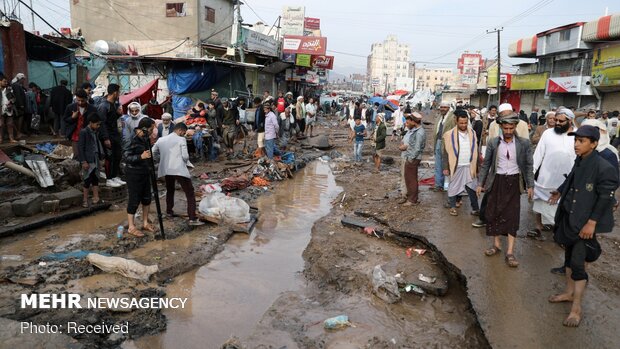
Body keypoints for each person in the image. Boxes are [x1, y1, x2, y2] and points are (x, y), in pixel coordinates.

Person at [547, 125, 618, 327]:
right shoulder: (581, 160)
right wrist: (560, 192)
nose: (576, 144)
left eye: (581, 141)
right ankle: (569, 293)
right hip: (570, 218)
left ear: (594, 143)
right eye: (575, 140)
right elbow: (571, 178)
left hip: (584, 225)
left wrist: (592, 223)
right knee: (569, 259)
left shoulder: (604, 167)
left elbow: (606, 198)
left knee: (578, 264)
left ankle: (576, 308)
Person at [477, 113, 534, 268]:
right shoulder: (493, 143)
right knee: (494, 212)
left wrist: (530, 186)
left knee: (512, 215)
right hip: (497, 181)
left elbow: (529, 166)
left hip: (514, 182)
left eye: (511, 128)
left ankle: (510, 251)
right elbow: (486, 164)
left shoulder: (524, 144)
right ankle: (496, 245)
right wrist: (480, 183)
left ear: (515, 127)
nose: (508, 131)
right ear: (501, 127)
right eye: (505, 128)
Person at [528, 108, 576, 239]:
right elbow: (538, 155)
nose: (557, 123)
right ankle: (538, 228)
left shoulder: (577, 135)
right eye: (556, 120)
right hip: (545, 178)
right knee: (540, 203)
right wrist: (530, 176)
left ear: (570, 121)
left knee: (563, 207)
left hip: (565, 180)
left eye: (561, 121)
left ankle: (558, 232)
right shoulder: (548, 133)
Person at [152, 122, 203, 226]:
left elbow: (153, 152)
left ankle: (169, 211)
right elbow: (185, 156)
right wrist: (186, 163)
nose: (183, 135)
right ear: (180, 130)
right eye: (183, 133)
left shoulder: (161, 140)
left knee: (170, 190)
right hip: (178, 169)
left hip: (166, 169)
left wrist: (161, 160)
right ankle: (192, 218)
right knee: (190, 192)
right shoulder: (181, 139)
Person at [442, 109, 480, 216]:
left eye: (465, 123)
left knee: (471, 187)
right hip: (456, 165)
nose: (463, 125)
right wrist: (445, 167)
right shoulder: (449, 135)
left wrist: (477, 168)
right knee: (453, 187)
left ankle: (475, 209)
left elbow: (476, 151)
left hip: (469, 165)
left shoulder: (472, 133)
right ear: (456, 122)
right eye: (461, 123)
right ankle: (453, 207)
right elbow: (445, 152)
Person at [124, 117, 157, 237]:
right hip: (133, 173)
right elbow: (126, 158)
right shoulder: (131, 139)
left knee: (147, 198)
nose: (152, 131)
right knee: (134, 199)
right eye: (151, 129)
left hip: (145, 171)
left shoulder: (145, 138)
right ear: (145, 128)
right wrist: (140, 157)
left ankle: (145, 222)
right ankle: (131, 226)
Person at [97, 83, 125, 188]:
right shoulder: (104, 106)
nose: (119, 94)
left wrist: (118, 114)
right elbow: (102, 123)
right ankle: (109, 178)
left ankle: (114, 176)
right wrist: (105, 138)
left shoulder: (113, 104)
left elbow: (112, 119)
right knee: (109, 157)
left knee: (117, 156)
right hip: (108, 136)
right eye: (119, 92)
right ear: (115, 93)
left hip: (115, 134)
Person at [77, 112, 105, 208]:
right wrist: (83, 161)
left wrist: (101, 158)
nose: (98, 126)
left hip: (95, 159)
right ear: (90, 123)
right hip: (88, 160)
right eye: (97, 124)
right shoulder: (84, 132)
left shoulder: (95, 132)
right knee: (87, 180)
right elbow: (80, 148)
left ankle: (96, 198)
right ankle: (85, 200)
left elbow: (97, 145)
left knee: (95, 179)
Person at [399, 112, 426, 206]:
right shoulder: (417, 130)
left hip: (413, 158)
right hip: (412, 157)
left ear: (414, 122)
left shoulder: (419, 132)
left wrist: (410, 158)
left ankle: (412, 200)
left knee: (411, 180)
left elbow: (417, 148)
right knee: (410, 179)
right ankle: (412, 198)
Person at [65, 89, 98, 158]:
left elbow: (97, 122)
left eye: (82, 101)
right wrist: (72, 117)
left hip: (88, 136)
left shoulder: (93, 109)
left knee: (88, 155)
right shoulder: (70, 107)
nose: (80, 103)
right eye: (78, 100)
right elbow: (65, 120)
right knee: (77, 155)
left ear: (86, 99)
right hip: (75, 136)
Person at [432, 101, 455, 192]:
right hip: (438, 142)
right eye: (441, 107)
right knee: (438, 165)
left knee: (447, 164)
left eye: (445, 107)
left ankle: (448, 186)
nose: (443, 109)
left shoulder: (452, 118)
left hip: (447, 143)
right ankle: (438, 184)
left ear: (448, 108)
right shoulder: (439, 117)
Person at [0, 74, 17, 143]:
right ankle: (0, 138)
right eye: (4, 81)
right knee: (1, 125)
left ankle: (11, 139)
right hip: (1, 109)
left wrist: (11, 102)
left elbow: (14, 98)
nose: (6, 83)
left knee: (10, 124)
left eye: (6, 82)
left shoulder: (9, 89)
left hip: (9, 109)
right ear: (0, 81)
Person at [11, 73, 27, 138]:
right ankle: (18, 133)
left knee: (18, 118)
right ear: (20, 79)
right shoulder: (16, 85)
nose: (23, 81)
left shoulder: (16, 85)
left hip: (18, 105)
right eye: (23, 79)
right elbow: (18, 96)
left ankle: (18, 133)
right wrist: (21, 105)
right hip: (18, 106)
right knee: (19, 118)